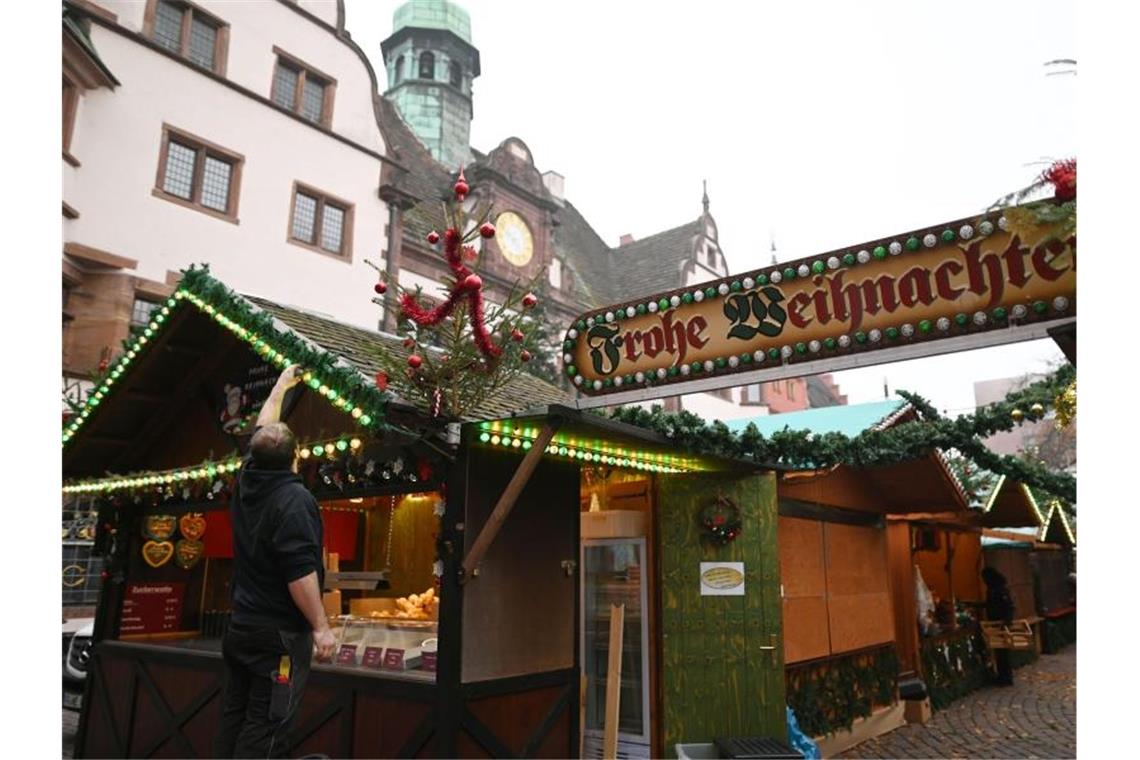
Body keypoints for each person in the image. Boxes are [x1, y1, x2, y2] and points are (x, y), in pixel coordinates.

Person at [214, 365, 337, 758]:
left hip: (242, 627)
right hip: (278, 636)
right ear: (296, 457)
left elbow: (263, 429)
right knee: (268, 722)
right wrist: (321, 627)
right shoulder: (294, 501)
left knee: (235, 715)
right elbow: (298, 572)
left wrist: (282, 385)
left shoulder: (249, 479)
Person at [981, 566, 1015, 687]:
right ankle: (1003, 676)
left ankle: (1005, 677)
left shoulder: (999, 589)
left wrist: (1006, 621)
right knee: (999, 651)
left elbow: (1007, 605)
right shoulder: (994, 588)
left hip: (1000, 623)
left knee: (1002, 651)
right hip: (996, 623)